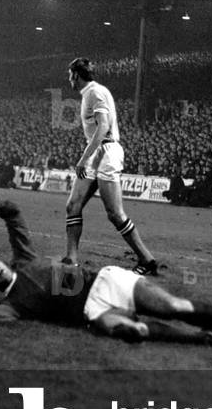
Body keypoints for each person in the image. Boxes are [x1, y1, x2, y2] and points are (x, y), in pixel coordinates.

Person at [0, 191, 212, 350]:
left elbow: (12, 211)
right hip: (93, 312)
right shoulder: (11, 305)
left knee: (177, 307)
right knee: (129, 331)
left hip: (107, 280)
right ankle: (209, 339)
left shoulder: (24, 259)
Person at [62, 57, 159, 275]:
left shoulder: (95, 92)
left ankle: (147, 260)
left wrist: (83, 158)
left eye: (70, 74)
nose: (69, 78)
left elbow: (104, 127)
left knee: (115, 214)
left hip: (106, 152)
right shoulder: (90, 93)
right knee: (73, 205)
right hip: (97, 153)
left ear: (76, 75)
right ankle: (71, 259)